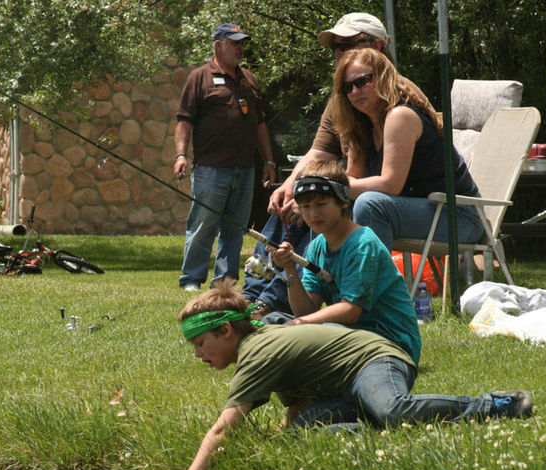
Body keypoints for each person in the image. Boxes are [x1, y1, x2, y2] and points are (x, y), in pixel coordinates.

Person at [150, 282, 532, 470]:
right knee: (300, 432)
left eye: (200, 344)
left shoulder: (257, 353)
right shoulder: (262, 347)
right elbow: (299, 403)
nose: (198, 355)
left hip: (375, 360)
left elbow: (222, 430)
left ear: (227, 332)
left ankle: (497, 404)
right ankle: (368, 434)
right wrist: (289, 427)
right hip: (346, 384)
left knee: (392, 410)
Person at [329, 47, 484, 250]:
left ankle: (372, 281)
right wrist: (323, 193)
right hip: (419, 210)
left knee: (369, 205)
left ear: (383, 77)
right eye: (348, 87)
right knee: (326, 208)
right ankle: (324, 281)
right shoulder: (360, 127)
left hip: (458, 216)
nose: (355, 91)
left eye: (362, 81)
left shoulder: (400, 116)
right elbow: (353, 178)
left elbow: (390, 185)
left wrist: (331, 186)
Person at [270, 159, 421, 366]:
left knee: (319, 332)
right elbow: (305, 312)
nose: (313, 214)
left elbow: (350, 311)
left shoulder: (362, 244)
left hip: (391, 343)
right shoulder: (317, 246)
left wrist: (299, 324)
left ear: (342, 201)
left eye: (321, 204)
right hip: (353, 335)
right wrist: (289, 269)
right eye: (305, 207)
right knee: (273, 321)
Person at [268, 12, 402, 222]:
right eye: (335, 47)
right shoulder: (345, 101)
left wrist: (321, 190)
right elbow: (320, 152)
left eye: (347, 44)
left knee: (319, 206)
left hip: (404, 202)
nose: (339, 53)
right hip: (361, 196)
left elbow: (391, 183)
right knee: (299, 202)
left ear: (376, 46)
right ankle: (273, 255)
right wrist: (291, 185)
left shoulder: (401, 101)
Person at [175, 23, 276, 291]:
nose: (241, 48)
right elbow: (184, 120)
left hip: (245, 169)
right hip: (211, 168)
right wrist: (181, 155)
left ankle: (225, 282)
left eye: (242, 43)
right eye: (235, 43)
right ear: (218, 45)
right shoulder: (200, 77)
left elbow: (260, 124)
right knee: (203, 225)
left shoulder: (249, 79)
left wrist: (268, 161)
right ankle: (191, 279)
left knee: (235, 228)